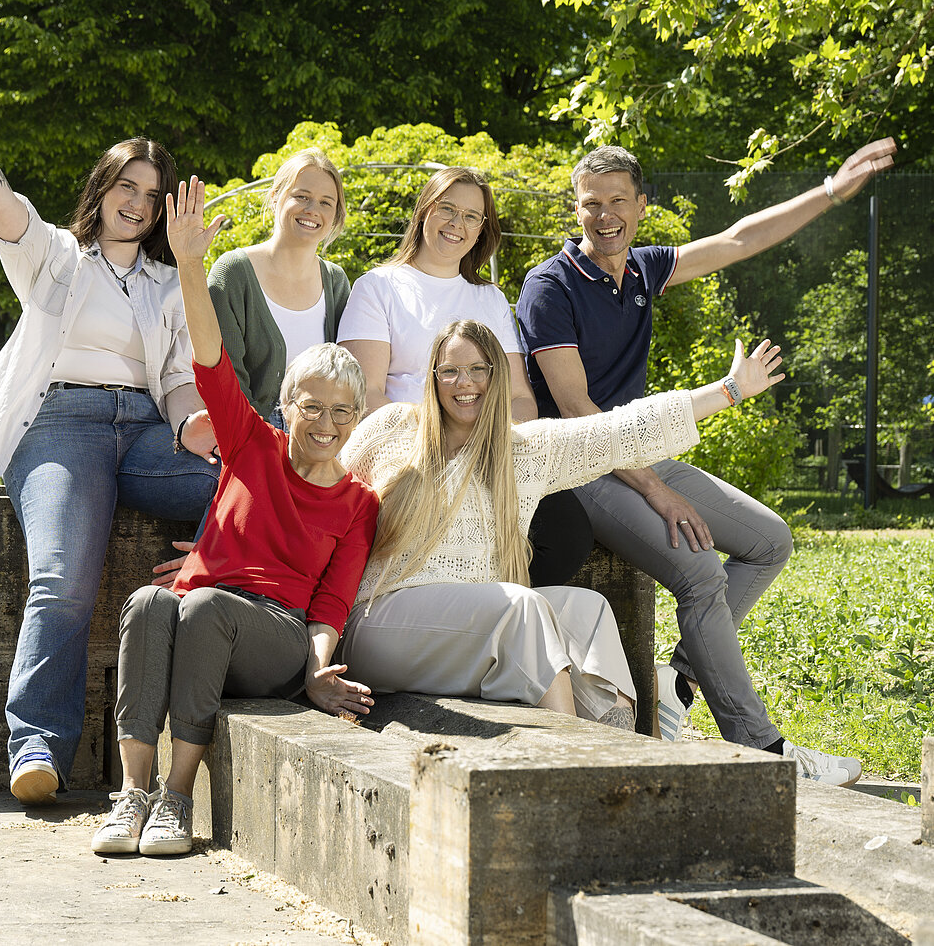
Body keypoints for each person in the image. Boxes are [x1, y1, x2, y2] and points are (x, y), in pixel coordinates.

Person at [515, 140, 896, 785]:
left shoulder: (640, 272)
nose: (603, 216)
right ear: (574, 211)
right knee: (698, 573)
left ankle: (679, 685)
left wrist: (831, 192)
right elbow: (579, 413)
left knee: (770, 540)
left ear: (641, 206)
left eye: (616, 202)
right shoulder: (550, 289)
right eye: (589, 205)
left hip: (639, 451)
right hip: (579, 468)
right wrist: (661, 494)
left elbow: (739, 240)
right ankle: (765, 752)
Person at [0, 55, 222, 805]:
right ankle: (37, 747)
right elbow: (2, 201)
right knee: (62, 580)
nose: (136, 203)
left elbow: (174, 377)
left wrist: (193, 424)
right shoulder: (53, 257)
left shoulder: (170, 284)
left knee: (236, 481)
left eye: (150, 193)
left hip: (144, 429)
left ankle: (209, 573)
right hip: (62, 427)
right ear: (101, 190)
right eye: (125, 186)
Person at [90, 177, 378, 857]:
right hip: (204, 608)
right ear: (286, 404)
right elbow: (209, 355)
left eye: (341, 411)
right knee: (149, 604)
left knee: (200, 608)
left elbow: (331, 605)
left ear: (357, 417)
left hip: (272, 638)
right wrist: (191, 263)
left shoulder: (358, 502)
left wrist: (315, 671)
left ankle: (178, 799)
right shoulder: (252, 442)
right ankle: (133, 796)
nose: (325, 423)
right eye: (311, 406)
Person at [337, 318, 785, 731]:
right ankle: (571, 757)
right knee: (522, 608)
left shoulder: (525, 451)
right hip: (381, 621)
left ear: (497, 378)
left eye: (478, 369)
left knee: (586, 611)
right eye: (449, 371)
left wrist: (728, 390)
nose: (465, 383)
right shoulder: (392, 426)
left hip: (471, 624)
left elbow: (619, 430)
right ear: (432, 379)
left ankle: (617, 742)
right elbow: (323, 499)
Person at [338, 166, 592, 585]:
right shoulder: (378, 287)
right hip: (413, 457)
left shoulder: (488, 298)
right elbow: (366, 397)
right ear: (424, 212)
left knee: (568, 534)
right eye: (447, 209)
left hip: (490, 453)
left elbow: (519, 398)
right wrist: (444, 442)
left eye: (472, 216)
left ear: (481, 231)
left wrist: (494, 446)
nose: (458, 224)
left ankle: (501, 630)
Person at [208, 150, 350, 427]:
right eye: (302, 196)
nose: (313, 210)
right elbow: (225, 376)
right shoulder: (233, 272)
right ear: (275, 197)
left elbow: (347, 376)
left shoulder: (336, 282)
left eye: (325, 203)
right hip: (251, 428)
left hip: (322, 431)